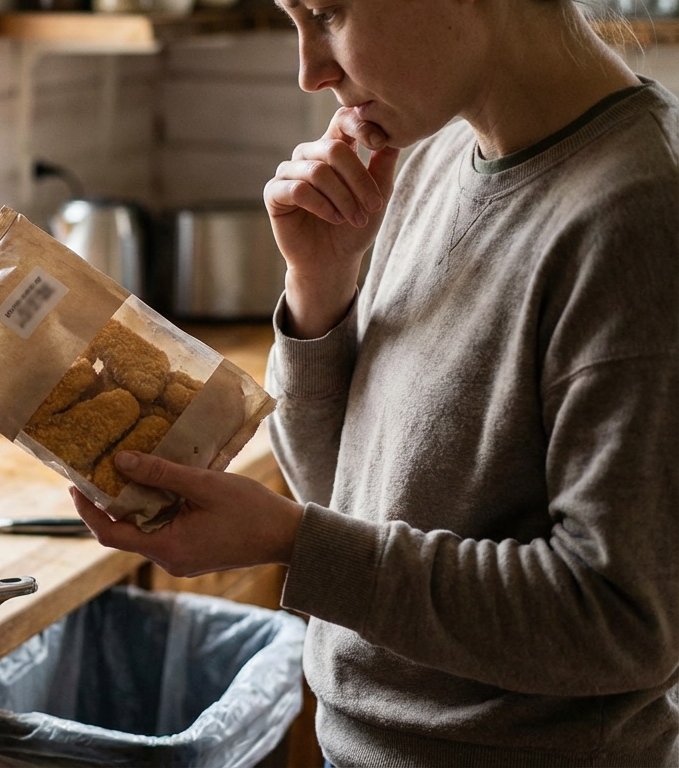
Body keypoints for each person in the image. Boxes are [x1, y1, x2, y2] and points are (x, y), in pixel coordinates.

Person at [70, 0, 679, 763]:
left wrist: (289, 542)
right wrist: (320, 289)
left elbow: (622, 623)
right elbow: (347, 496)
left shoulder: (638, 215)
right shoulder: (430, 157)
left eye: (326, 12)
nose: (308, 70)